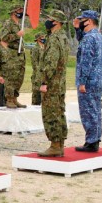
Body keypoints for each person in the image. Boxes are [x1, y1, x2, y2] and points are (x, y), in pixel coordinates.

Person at [36, 9, 69, 157]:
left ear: (56, 22)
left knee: (51, 113)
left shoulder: (55, 39)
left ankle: (55, 145)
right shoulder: (63, 37)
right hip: (60, 82)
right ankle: (59, 143)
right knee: (59, 112)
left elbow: (51, 62)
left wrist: (44, 82)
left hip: (52, 83)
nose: (47, 21)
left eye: (49, 19)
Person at [74, 10, 102, 152]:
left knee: (88, 111)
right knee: (96, 110)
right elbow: (82, 40)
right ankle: (95, 138)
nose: (80, 22)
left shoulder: (89, 39)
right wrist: (76, 29)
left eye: (82, 20)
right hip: (97, 80)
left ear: (89, 21)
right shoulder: (98, 36)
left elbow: (86, 61)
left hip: (88, 81)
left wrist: (82, 82)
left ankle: (91, 141)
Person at [0, 5, 28, 108]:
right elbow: (3, 38)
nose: (21, 12)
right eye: (19, 10)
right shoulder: (8, 24)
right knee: (11, 77)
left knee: (19, 77)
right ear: (13, 12)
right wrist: (17, 35)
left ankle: (15, 98)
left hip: (19, 55)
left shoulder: (18, 24)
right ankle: (9, 99)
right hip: (12, 55)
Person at [30, 34, 46, 105]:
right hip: (37, 74)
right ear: (38, 39)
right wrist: (38, 73)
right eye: (42, 37)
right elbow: (34, 62)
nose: (44, 38)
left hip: (44, 73)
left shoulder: (45, 47)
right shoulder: (35, 48)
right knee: (36, 93)